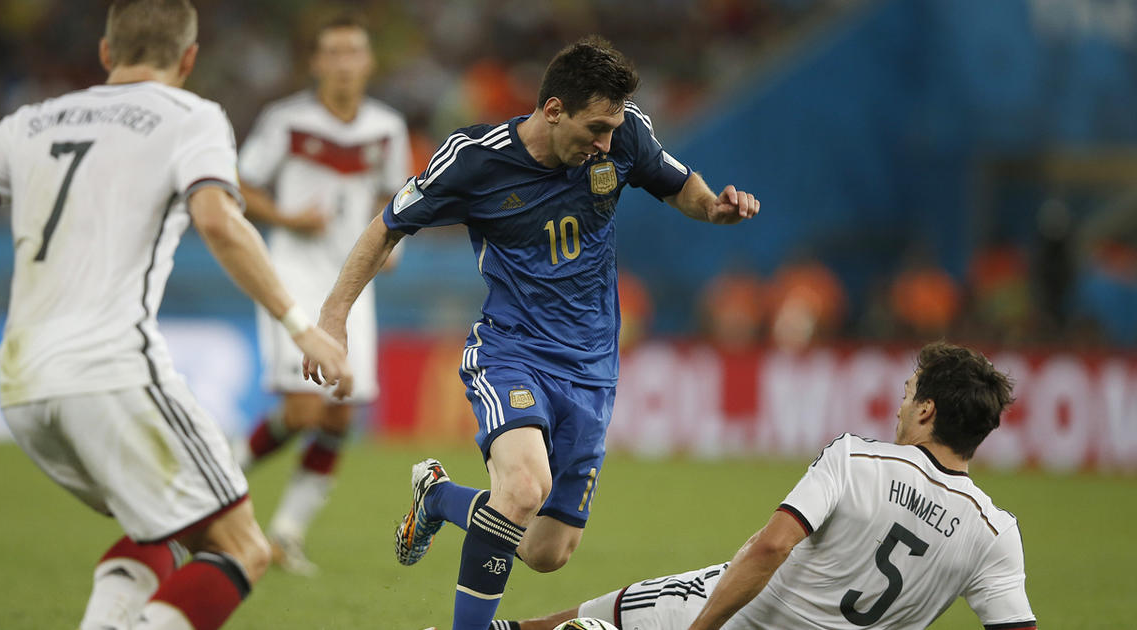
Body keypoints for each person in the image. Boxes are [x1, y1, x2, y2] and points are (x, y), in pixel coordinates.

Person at [304, 36, 761, 630]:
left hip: (593, 366)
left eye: (613, 128)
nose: (605, 142)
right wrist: (333, 316)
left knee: (547, 551)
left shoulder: (624, 134)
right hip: (512, 349)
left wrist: (715, 208)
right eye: (595, 128)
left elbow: (681, 188)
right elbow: (387, 226)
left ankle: (439, 498)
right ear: (552, 110)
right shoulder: (474, 160)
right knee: (522, 489)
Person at [0, 1, 348, 628]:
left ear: (106, 54)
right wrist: (302, 326)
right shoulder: (192, 116)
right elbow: (217, 218)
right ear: (189, 59)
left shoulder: (33, 121)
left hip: (21, 385)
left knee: (161, 524)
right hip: (110, 370)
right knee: (242, 548)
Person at [494, 341, 1038, 630]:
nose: (899, 407)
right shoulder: (994, 533)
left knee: (573, 624)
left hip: (738, 615)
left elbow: (772, 545)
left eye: (907, 393)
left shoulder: (856, 460)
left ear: (926, 410)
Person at [230, 10, 410, 575]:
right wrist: (286, 216)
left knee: (339, 417)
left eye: (352, 52)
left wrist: (394, 244)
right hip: (294, 277)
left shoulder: (387, 128)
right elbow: (238, 183)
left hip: (353, 285)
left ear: (368, 62)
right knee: (306, 408)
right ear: (315, 63)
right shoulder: (285, 121)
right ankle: (217, 480)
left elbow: (399, 200)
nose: (342, 63)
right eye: (331, 52)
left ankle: (285, 535)